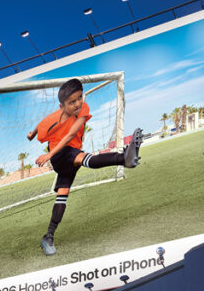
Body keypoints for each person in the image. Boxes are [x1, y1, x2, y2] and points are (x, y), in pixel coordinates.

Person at [27, 78, 143, 255]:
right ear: (61, 106)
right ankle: (123, 159)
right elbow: (49, 128)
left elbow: (73, 132)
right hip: (59, 154)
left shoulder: (83, 108)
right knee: (83, 157)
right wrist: (39, 142)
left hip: (70, 155)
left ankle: (48, 236)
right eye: (71, 102)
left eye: (79, 98)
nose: (77, 104)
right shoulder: (53, 119)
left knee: (62, 195)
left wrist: (31, 134)